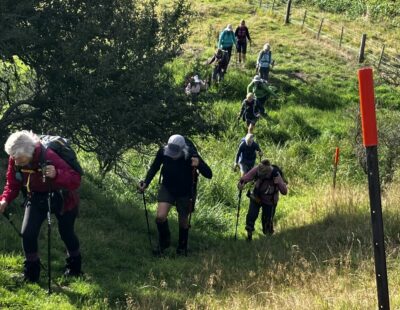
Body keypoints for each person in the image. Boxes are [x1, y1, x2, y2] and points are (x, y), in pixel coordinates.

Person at [0, 131, 82, 282]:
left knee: (66, 232)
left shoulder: (49, 156)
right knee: (28, 234)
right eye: (14, 158)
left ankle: (75, 268)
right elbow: (13, 183)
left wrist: (57, 174)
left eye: (19, 159)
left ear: (30, 153)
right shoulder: (16, 157)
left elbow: (76, 180)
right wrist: (4, 199)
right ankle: (31, 274)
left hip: (63, 196)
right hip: (36, 196)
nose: (16, 162)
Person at [138, 134, 212, 255]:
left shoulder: (191, 154)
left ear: (183, 150)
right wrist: (145, 183)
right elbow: (154, 167)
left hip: (185, 190)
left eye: (175, 155)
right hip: (167, 187)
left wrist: (199, 164)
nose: (172, 157)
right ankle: (164, 242)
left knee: (183, 221)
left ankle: (182, 247)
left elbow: (209, 174)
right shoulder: (163, 151)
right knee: (160, 217)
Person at [237, 159, 287, 241]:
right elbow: (246, 177)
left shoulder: (275, 174)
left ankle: (267, 240)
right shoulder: (258, 168)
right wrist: (241, 184)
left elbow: (284, 192)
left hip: (270, 201)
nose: (261, 176)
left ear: (267, 173)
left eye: (263, 175)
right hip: (257, 196)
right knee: (251, 215)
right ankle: (249, 234)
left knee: (267, 222)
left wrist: (280, 183)